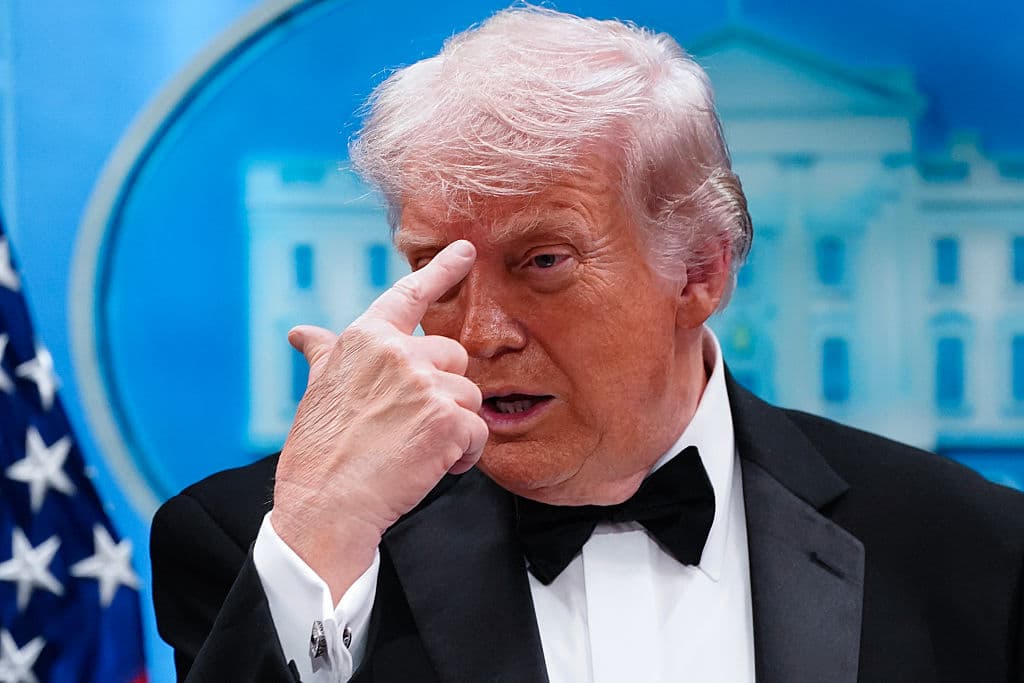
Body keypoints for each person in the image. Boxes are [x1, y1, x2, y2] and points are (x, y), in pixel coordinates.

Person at [150, 7, 1024, 682]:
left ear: (699, 273)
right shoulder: (260, 543)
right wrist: (324, 536)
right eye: (440, 270)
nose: (480, 332)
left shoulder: (966, 545)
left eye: (542, 261)